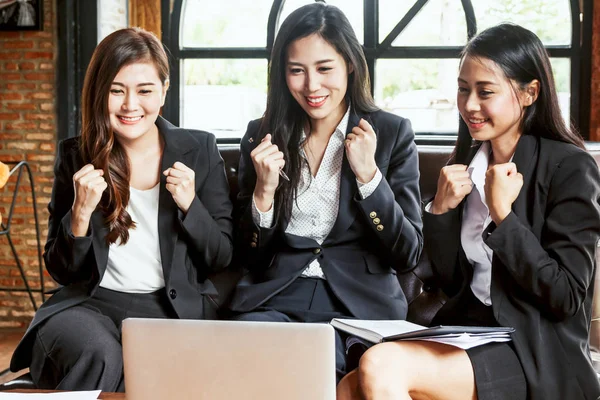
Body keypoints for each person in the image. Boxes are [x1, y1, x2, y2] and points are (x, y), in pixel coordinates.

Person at [336, 23, 600, 400]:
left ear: (529, 93)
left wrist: (503, 216)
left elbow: (566, 296)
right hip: (471, 332)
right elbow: (450, 282)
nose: (469, 105)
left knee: (381, 365)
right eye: (463, 89)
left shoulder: (569, 167)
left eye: (485, 92)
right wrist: (441, 210)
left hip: (532, 350)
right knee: (349, 386)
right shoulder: (466, 163)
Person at [9, 27, 234, 392]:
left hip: (168, 310)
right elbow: (62, 271)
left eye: (144, 90)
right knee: (100, 353)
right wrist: (80, 214)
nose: (131, 105)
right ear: (100, 94)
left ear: (164, 90)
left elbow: (221, 256)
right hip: (88, 306)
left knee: (149, 371)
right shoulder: (76, 156)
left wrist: (191, 206)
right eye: (116, 91)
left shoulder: (200, 149)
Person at [227, 2, 423, 381]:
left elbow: (407, 252)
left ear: (350, 63)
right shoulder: (261, 134)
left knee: (315, 366)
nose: (311, 86)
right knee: (250, 360)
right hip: (276, 298)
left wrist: (369, 178)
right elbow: (247, 256)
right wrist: (263, 193)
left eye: (324, 68)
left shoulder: (391, 133)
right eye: (296, 70)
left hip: (357, 305)